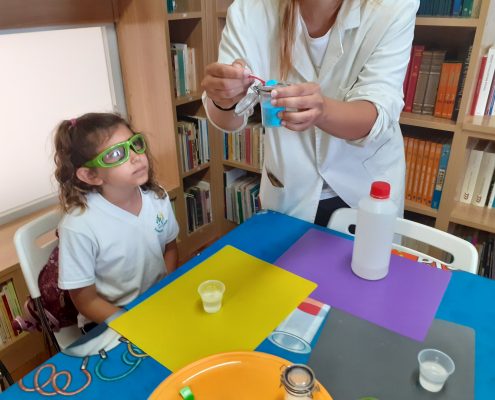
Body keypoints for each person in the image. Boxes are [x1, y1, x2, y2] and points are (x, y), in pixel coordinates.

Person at [202, 0, 419, 226]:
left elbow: (377, 112)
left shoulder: (391, 6)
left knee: (366, 260)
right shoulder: (250, 10)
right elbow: (226, 118)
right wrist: (224, 97)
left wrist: (323, 111)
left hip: (364, 189)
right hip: (290, 188)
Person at [54, 113, 179, 333]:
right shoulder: (78, 226)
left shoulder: (157, 197)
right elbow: (85, 300)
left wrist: (165, 288)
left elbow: (170, 247)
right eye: (116, 154)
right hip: (108, 320)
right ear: (91, 175)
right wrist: (132, 321)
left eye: (135, 144)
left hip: (156, 303)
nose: (136, 157)